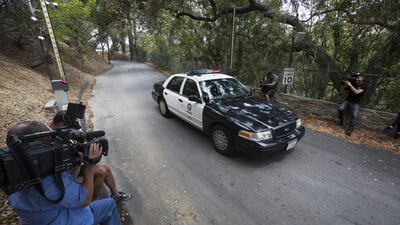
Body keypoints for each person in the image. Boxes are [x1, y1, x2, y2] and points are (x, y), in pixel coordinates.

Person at [6, 121, 121, 225]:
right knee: (110, 205)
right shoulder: (49, 183)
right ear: (36, 149)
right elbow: (85, 200)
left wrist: (74, 159)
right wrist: (89, 167)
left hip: (41, 218)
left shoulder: (11, 174)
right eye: (49, 141)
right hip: (68, 220)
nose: (52, 142)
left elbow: (70, 178)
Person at [47, 110, 132, 201]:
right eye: (71, 128)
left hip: (72, 164)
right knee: (102, 171)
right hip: (65, 171)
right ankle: (93, 200)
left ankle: (115, 194)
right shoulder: (46, 136)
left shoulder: (57, 129)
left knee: (106, 169)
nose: (73, 130)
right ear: (61, 124)